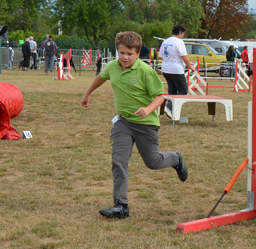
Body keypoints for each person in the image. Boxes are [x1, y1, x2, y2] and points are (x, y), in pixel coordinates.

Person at [80, 31, 188, 219]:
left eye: (130, 54)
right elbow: (102, 77)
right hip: (123, 122)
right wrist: (87, 93)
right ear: (117, 52)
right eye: (122, 53)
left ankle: (176, 159)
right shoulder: (112, 67)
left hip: (146, 124)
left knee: (153, 162)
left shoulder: (146, 71)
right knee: (119, 160)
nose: (125, 57)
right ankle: (121, 206)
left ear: (138, 53)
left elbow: (160, 97)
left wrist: (148, 109)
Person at [158, 24, 196, 116]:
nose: (183, 36)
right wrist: (191, 67)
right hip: (176, 70)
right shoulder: (179, 42)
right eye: (183, 34)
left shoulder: (165, 41)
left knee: (172, 92)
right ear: (180, 32)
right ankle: (168, 107)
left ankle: (172, 113)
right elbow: (185, 57)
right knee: (183, 91)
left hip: (166, 69)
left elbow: (160, 56)